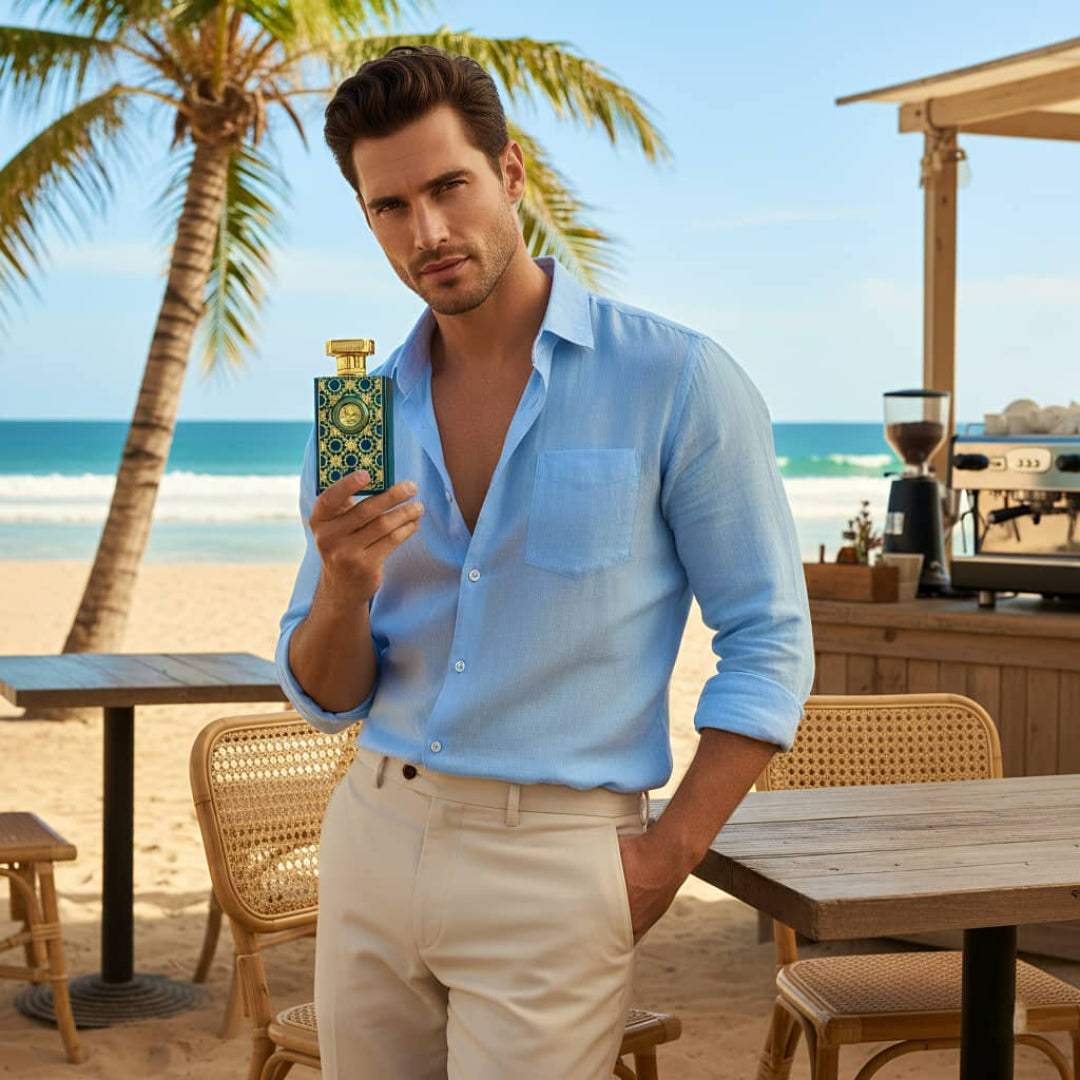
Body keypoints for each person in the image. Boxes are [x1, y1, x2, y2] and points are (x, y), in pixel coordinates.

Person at [275, 44, 814, 1080]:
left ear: (510, 174)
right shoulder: (362, 418)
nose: (426, 232)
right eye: (390, 206)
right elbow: (329, 696)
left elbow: (770, 641)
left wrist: (669, 858)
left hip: (560, 859)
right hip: (374, 835)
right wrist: (343, 589)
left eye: (449, 187)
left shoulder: (678, 379)